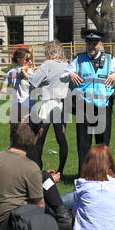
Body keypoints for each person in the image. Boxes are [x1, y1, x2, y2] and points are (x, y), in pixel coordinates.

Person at [0, 123, 72, 230]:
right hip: (12, 225)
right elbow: (39, 207)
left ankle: (63, 215)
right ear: (34, 139)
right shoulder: (30, 167)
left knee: (44, 177)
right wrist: (45, 180)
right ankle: (64, 217)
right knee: (49, 183)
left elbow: (12, 180)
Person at [60, 29, 115, 173]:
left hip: (103, 106)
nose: (92, 46)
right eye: (89, 43)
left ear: (101, 44)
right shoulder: (79, 59)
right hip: (83, 105)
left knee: (102, 142)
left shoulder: (110, 59)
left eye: (95, 43)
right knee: (83, 143)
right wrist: (70, 73)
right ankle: (83, 175)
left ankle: (102, 173)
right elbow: (62, 75)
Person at [28, 40, 69, 175]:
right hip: (63, 103)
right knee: (61, 139)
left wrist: (33, 72)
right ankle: (61, 171)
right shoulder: (67, 65)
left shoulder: (47, 64)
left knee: (39, 138)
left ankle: (37, 170)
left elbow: (33, 82)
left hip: (48, 102)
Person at [1, 48, 35, 125]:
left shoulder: (30, 70)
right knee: (15, 130)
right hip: (16, 104)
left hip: (28, 104)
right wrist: (4, 87)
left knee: (27, 130)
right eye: (27, 59)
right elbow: (8, 78)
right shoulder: (13, 71)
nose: (29, 61)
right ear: (18, 59)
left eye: (29, 59)